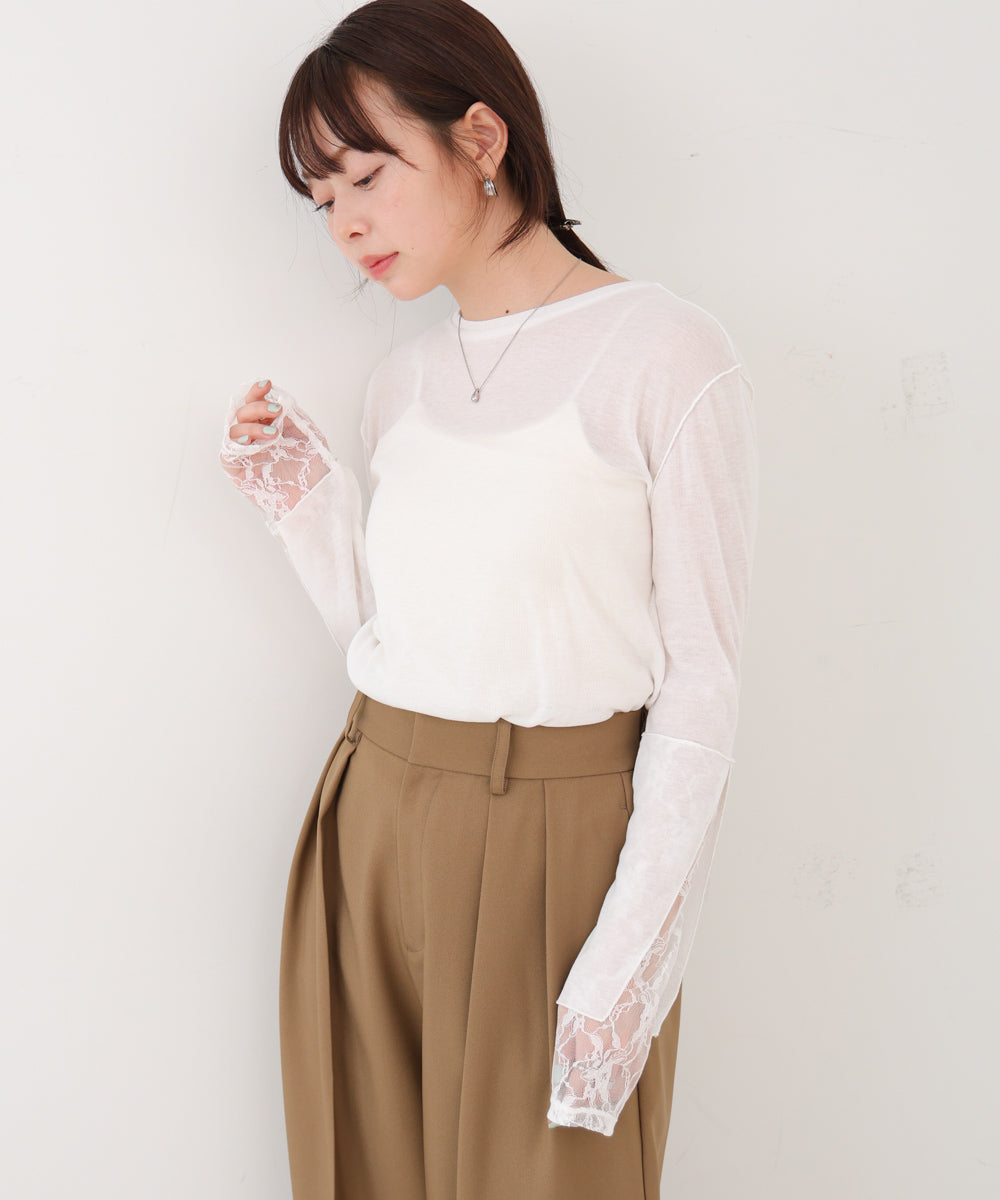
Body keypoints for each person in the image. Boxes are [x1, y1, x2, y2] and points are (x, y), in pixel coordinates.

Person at [219, 1, 759, 1197]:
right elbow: (403, 639)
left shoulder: (664, 352)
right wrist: (304, 498)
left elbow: (703, 692)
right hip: (372, 810)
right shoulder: (402, 380)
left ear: (479, 137)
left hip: (555, 840)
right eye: (323, 200)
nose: (346, 224)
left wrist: (622, 971)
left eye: (366, 175)